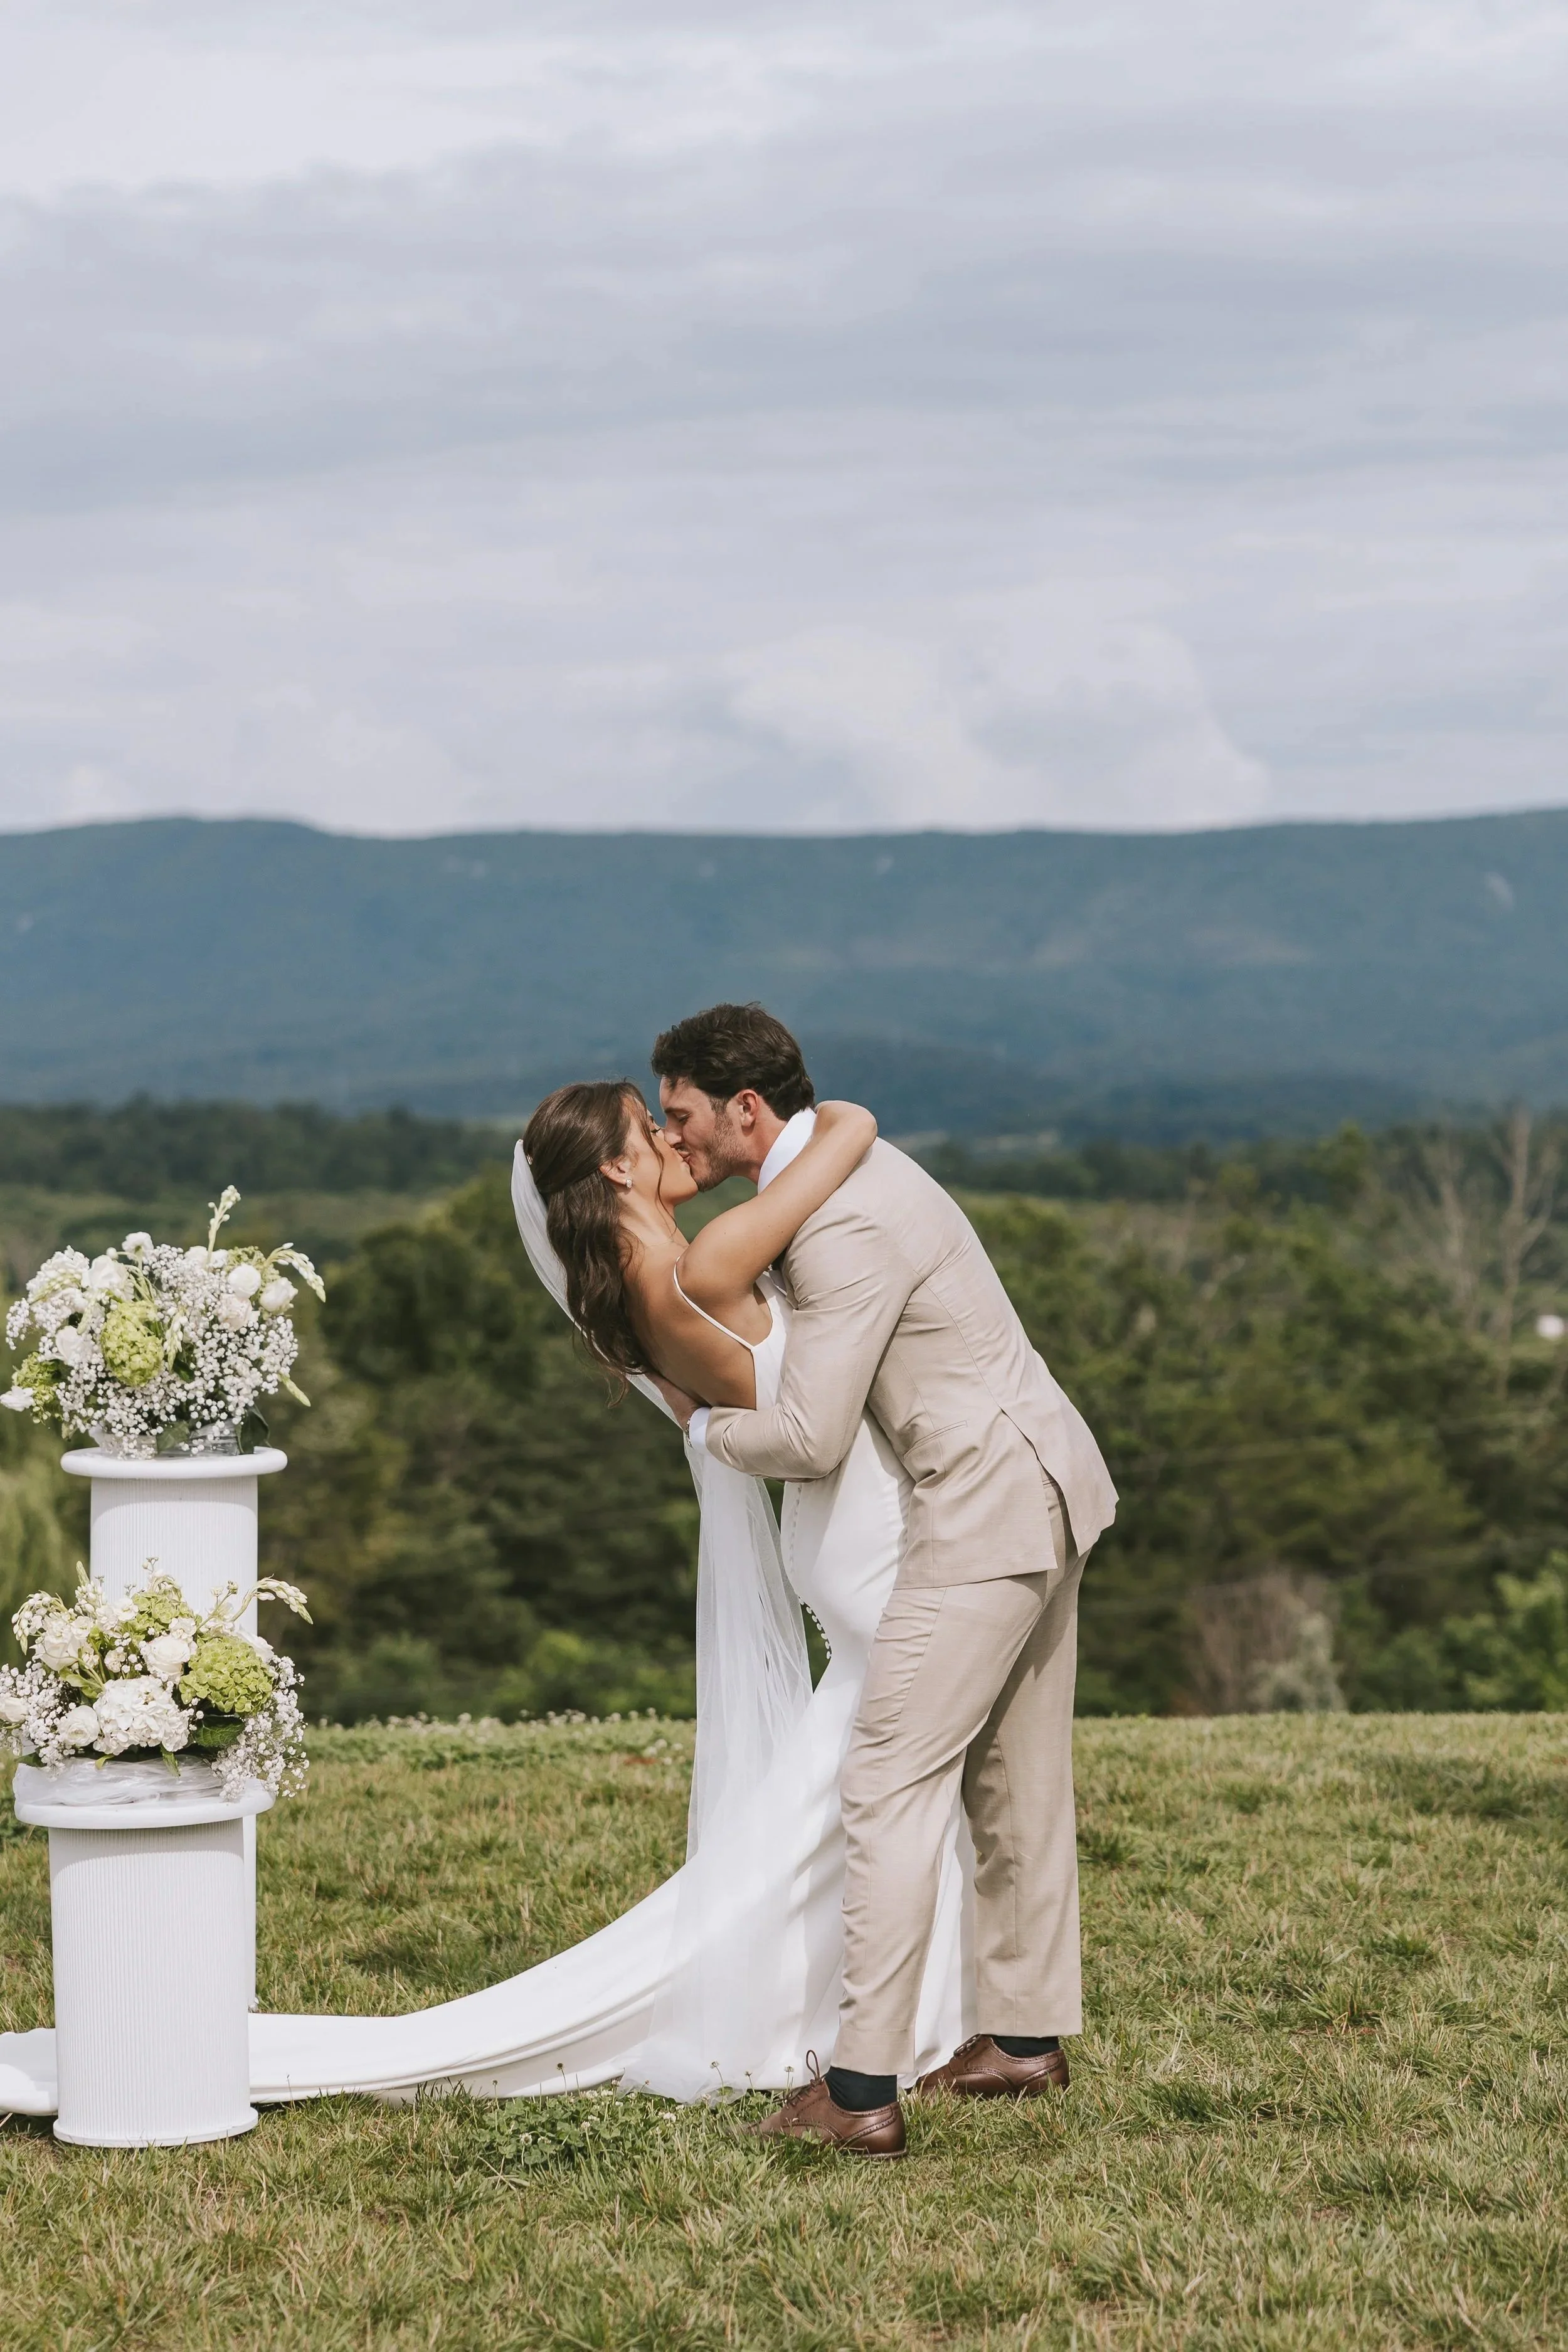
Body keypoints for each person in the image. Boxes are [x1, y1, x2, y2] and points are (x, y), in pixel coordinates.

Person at [652, 1002, 1117, 2157]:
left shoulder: (841, 1221)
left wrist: (706, 1436)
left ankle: (859, 2089)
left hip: (987, 1509)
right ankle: (1021, 2040)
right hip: (1046, 1484)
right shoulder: (847, 1163)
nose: (680, 1143)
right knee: (1014, 1779)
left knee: (889, 1782)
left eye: (686, 1117)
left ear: (746, 1109)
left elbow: (808, 1437)